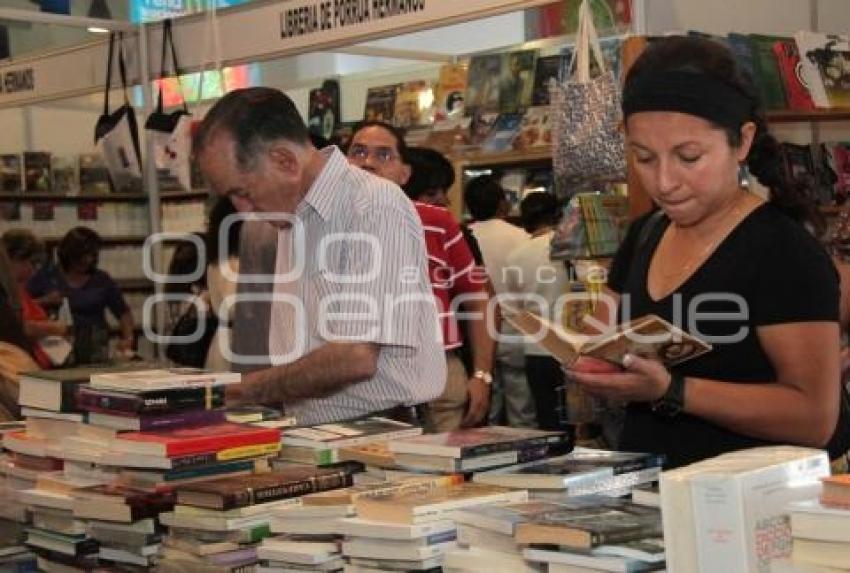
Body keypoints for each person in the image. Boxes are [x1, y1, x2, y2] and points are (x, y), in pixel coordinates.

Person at [566, 36, 842, 469]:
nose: (664, 182)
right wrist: (590, 364)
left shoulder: (782, 253)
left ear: (743, 142)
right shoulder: (645, 233)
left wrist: (672, 390)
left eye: (688, 157)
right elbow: (601, 338)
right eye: (643, 157)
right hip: (648, 501)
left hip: (750, 508)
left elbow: (814, 418)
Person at [193, 87, 445, 425]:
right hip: (312, 428)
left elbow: (355, 357)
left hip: (381, 433)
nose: (241, 208)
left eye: (242, 192)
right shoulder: (285, 216)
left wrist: (238, 393)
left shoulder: (373, 205)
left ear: (284, 160)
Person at [347, 122, 496, 431]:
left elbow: (479, 299)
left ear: (405, 174)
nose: (368, 163)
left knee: (447, 475)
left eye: (384, 155)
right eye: (358, 152)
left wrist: (482, 375)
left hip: (438, 372)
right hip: (358, 379)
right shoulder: (321, 227)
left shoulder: (437, 222)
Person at [464, 175, 536, 428]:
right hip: (517, 330)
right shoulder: (521, 236)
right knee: (522, 408)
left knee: (485, 411)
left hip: (478, 334)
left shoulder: (465, 236)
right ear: (501, 204)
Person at [505, 192, 571, 431]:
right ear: (557, 215)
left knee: (548, 421)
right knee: (575, 421)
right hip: (570, 346)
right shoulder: (568, 247)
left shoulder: (515, 256)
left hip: (535, 349)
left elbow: (515, 309)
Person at [27, 227, 134, 363]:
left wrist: (127, 339)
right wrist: (45, 301)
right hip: (55, 347)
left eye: (92, 255)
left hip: (95, 346)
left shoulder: (101, 279)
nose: (87, 260)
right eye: (82, 256)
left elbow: (123, 313)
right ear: (69, 254)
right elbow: (23, 308)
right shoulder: (46, 276)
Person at [2, 230, 71, 369]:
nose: (35, 270)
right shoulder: (6, 292)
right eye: (32, 263)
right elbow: (19, 327)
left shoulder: (19, 291)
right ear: (13, 258)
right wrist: (55, 327)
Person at [205, 197, 242, 371]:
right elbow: (234, 306)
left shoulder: (216, 261)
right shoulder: (232, 263)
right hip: (234, 341)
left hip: (223, 340)